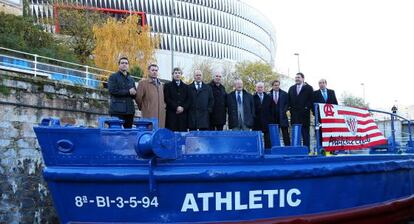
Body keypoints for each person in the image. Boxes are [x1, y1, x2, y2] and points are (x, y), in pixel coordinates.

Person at [107, 57, 136, 128]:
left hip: (129, 111)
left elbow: (133, 95)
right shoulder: (113, 77)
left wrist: (135, 93)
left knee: (128, 134)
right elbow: (112, 91)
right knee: (115, 134)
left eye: (126, 63)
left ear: (128, 65)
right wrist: (128, 92)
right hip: (117, 110)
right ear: (119, 65)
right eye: (122, 63)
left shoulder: (131, 79)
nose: (124, 64)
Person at [287, 73, 314, 148]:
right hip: (294, 116)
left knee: (305, 134)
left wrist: (306, 108)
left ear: (303, 78)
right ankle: (296, 150)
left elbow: (311, 100)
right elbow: (288, 100)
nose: (297, 79)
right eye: (296, 78)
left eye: (298, 77)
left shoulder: (309, 88)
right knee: (295, 135)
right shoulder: (291, 88)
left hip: (304, 115)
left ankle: (306, 150)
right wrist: (289, 109)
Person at [135, 64, 166, 128]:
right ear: (148, 71)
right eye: (152, 70)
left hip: (161, 117)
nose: (154, 72)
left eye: (156, 70)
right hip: (148, 115)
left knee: (158, 134)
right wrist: (144, 107)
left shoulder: (161, 85)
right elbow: (138, 98)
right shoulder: (143, 83)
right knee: (149, 133)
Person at [313, 78, 338, 147]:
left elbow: (335, 104)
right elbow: (313, 105)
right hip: (320, 118)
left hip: (330, 117)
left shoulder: (331, 92)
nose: (321, 84)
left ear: (326, 84)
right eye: (320, 83)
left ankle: (332, 148)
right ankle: (321, 148)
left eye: (323, 83)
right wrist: (316, 115)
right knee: (320, 132)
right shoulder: (315, 93)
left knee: (331, 132)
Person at [163, 67, 191, 132]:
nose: (177, 74)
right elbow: (167, 98)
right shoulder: (167, 86)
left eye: (179, 73)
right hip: (172, 114)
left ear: (181, 75)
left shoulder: (186, 87)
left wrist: (183, 108)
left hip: (183, 115)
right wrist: (176, 107)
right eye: (175, 73)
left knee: (182, 135)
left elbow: (189, 100)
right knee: (171, 134)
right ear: (172, 74)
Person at [269, 80, 291, 146]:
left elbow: (287, 104)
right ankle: (275, 147)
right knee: (274, 134)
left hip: (282, 117)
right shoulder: (269, 95)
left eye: (278, 85)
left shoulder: (284, 94)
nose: (277, 86)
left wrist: (284, 111)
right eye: (275, 85)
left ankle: (288, 147)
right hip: (273, 118)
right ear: (272, 86)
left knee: (285, 134)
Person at [253, 82, 272, 148]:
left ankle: (268, 152)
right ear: (256, 88)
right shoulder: (253, 98)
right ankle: (257, 151)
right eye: (258, 87)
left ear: (264, 88)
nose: (260, 89)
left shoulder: (268, 97)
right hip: (256, 121)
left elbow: (271, 109)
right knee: (256, 139)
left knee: (268, 139)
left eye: (261, 87)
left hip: (267, 121)